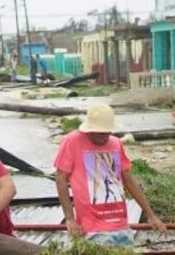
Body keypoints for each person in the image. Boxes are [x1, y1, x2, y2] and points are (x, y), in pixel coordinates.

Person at [54, 104, 166, 246]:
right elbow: (61, 178)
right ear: (89, 129)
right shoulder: (72, 141)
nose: (104, 137)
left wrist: (151, 215)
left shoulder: (116, 143)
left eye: (107, 132)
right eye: (99, 133)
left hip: (119, 223)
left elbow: (129, 181)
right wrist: (70, 218)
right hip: (91, 227)